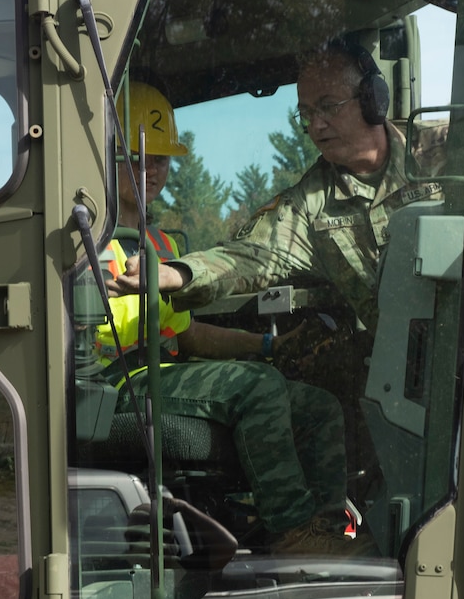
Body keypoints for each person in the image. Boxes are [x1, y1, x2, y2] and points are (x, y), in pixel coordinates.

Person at [99, 81, 354, 555]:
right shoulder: (87, 245)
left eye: (162, 159)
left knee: (320, 408)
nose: (152, 169)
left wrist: (268, 348)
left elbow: (189, 337)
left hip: (165, 371)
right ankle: (292, 532)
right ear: (107, 158)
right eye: (137, 156)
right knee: (257, 388)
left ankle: (329, 532)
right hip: (114, 385)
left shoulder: (162, 248)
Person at [110, 41, 443, 334]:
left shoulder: (450, 149)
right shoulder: (311, 205)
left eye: (328, 107)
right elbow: (246, 257)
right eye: (306, 113)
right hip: (402, 366)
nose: (315, 125)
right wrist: (176, 274)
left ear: (373, 99)